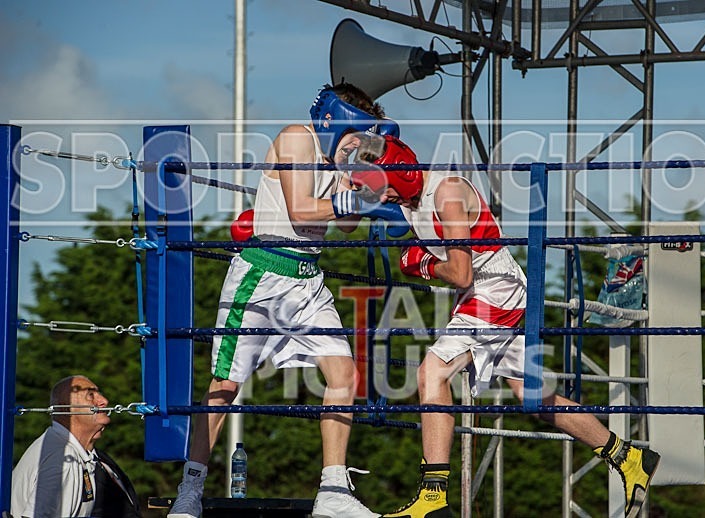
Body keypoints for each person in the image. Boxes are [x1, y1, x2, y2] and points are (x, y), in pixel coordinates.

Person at [350, 136, 661, 518]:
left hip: (494, 290)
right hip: (492, 291)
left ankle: (433, 497)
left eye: (388, 190)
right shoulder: (409, 199)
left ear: (403, 171)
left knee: (432, 373)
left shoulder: (446, 193)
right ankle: (629, 457)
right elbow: (355, 218)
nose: (388, 200)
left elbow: (461, 273)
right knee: (534, 398)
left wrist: (423, 264)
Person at [168, 83, 408, 518]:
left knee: (343, 374)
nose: (357, 144)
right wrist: (352, 193)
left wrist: (366, 184)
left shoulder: (340, 159)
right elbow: (301, 211)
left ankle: (333, 490)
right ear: (335, 120)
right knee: (225, 386)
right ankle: (190, 490)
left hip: (307, 279)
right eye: (355, 136)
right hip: (262, 272)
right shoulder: (297, 136)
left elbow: (348, 225)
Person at [11, 375, 141, 518]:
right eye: (91, 395)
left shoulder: (73, 451)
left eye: (100, 394)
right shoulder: (63, 457)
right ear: (67, 408)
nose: (104, 401)